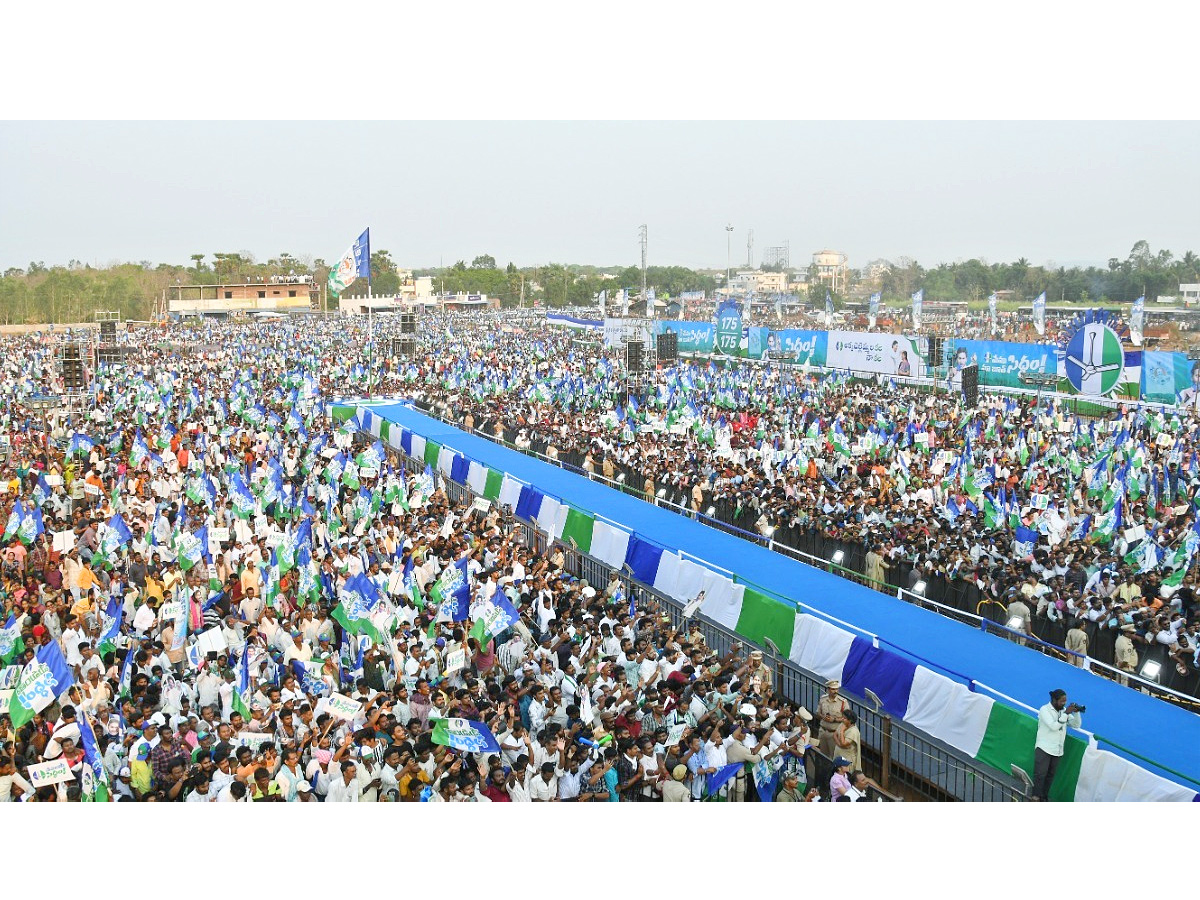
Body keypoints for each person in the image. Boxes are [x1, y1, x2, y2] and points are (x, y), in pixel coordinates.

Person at [1033, 689, 1082, 802]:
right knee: (1040, 775)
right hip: (1044, 748)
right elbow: (1054, 726)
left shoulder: (1064, 711)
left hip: (1057, 750)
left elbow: (1076, 725)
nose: (1064, 704)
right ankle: (1035, 797)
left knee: (1050, 776)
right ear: (1054, 700)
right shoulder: (1044, 710)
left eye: (1065, 701)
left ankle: (1044, 797)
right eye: (1062, 701)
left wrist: (1076, 712)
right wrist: (1066, 714)